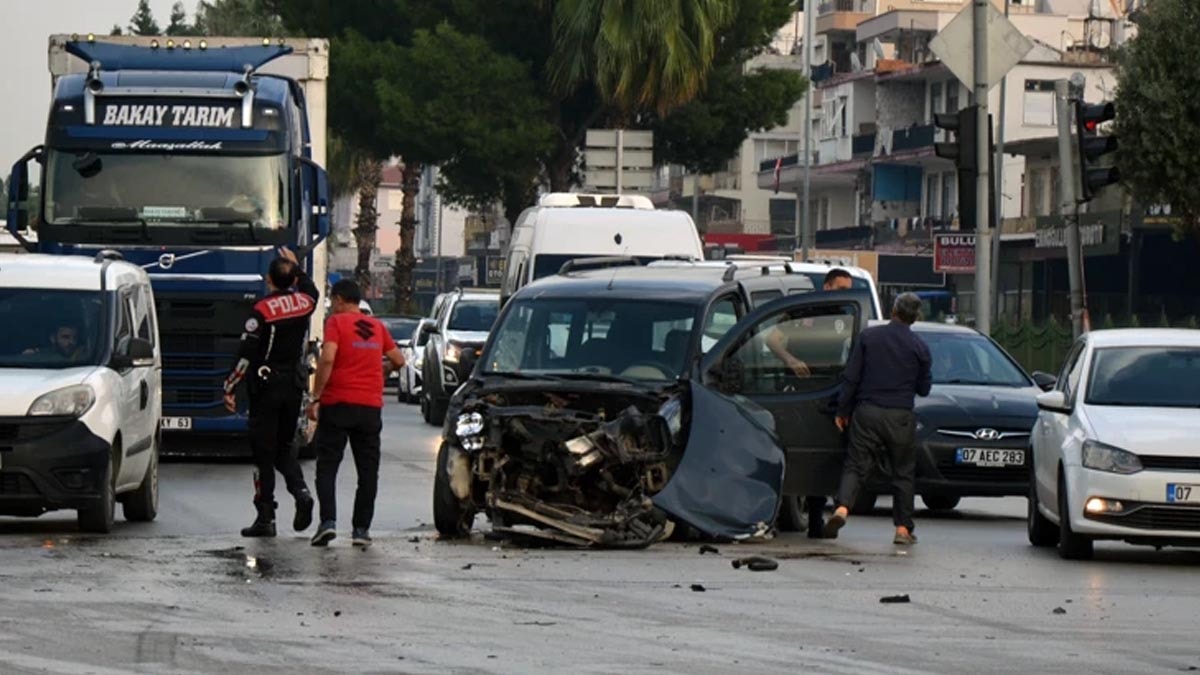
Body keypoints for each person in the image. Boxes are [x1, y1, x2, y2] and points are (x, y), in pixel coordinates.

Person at [222, 247, 319, 538]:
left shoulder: (262, 311)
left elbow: (246, 354)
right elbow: (311, 289)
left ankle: (266, 517)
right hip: (293, 386)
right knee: (284, 447)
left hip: (265, 386)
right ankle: (301, 493)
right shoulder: (305, 303)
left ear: (269, 280)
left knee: (263, 453)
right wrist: (297, 266)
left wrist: (229, 387)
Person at [823, 292, 931, 545]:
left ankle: (842, 508)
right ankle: (903, 529)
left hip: (867, 412)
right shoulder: (920, 347)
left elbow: (851, 377)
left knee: (856, 464)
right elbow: (924, 389)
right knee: (903, 472)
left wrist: (842, 410)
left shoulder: (869, 337)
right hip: (900, 416)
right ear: (915, 317)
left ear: (893, 311)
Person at [306, 279, 405, 548]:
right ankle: (361, 530)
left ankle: (328, 523)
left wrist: (316, 396)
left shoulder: (336, 323)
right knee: (367, 471)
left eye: (332, 301)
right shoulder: (377, 326)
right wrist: (383, 372)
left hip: (338, 403)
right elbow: (399, 360)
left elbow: (327, 358)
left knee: (327, 467)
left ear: (339, 299)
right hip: (370, 408)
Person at [766, 268, 856, 376]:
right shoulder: (803, 310)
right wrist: (791, 361)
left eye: (848, 290)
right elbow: (772, 340)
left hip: (830, 382)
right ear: (827, 287)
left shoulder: (845, 317)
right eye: (841, 289)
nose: (846, 294)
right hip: (800, 381)